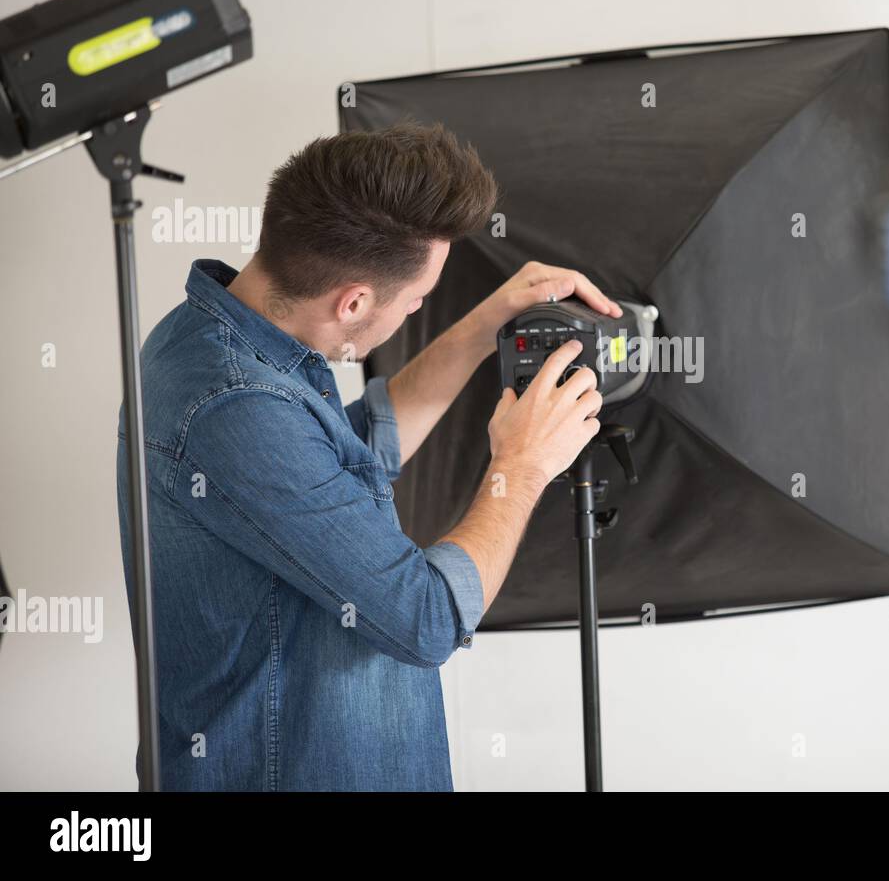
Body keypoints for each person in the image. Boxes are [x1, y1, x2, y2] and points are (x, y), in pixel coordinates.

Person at [116, 123, 621, 790]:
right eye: (416, 300)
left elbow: (337, 465)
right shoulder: (236, 405)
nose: (418, 308)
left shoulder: (215, 339)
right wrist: (520, 468)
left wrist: (482, 327)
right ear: (353, 301)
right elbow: (426, 618)